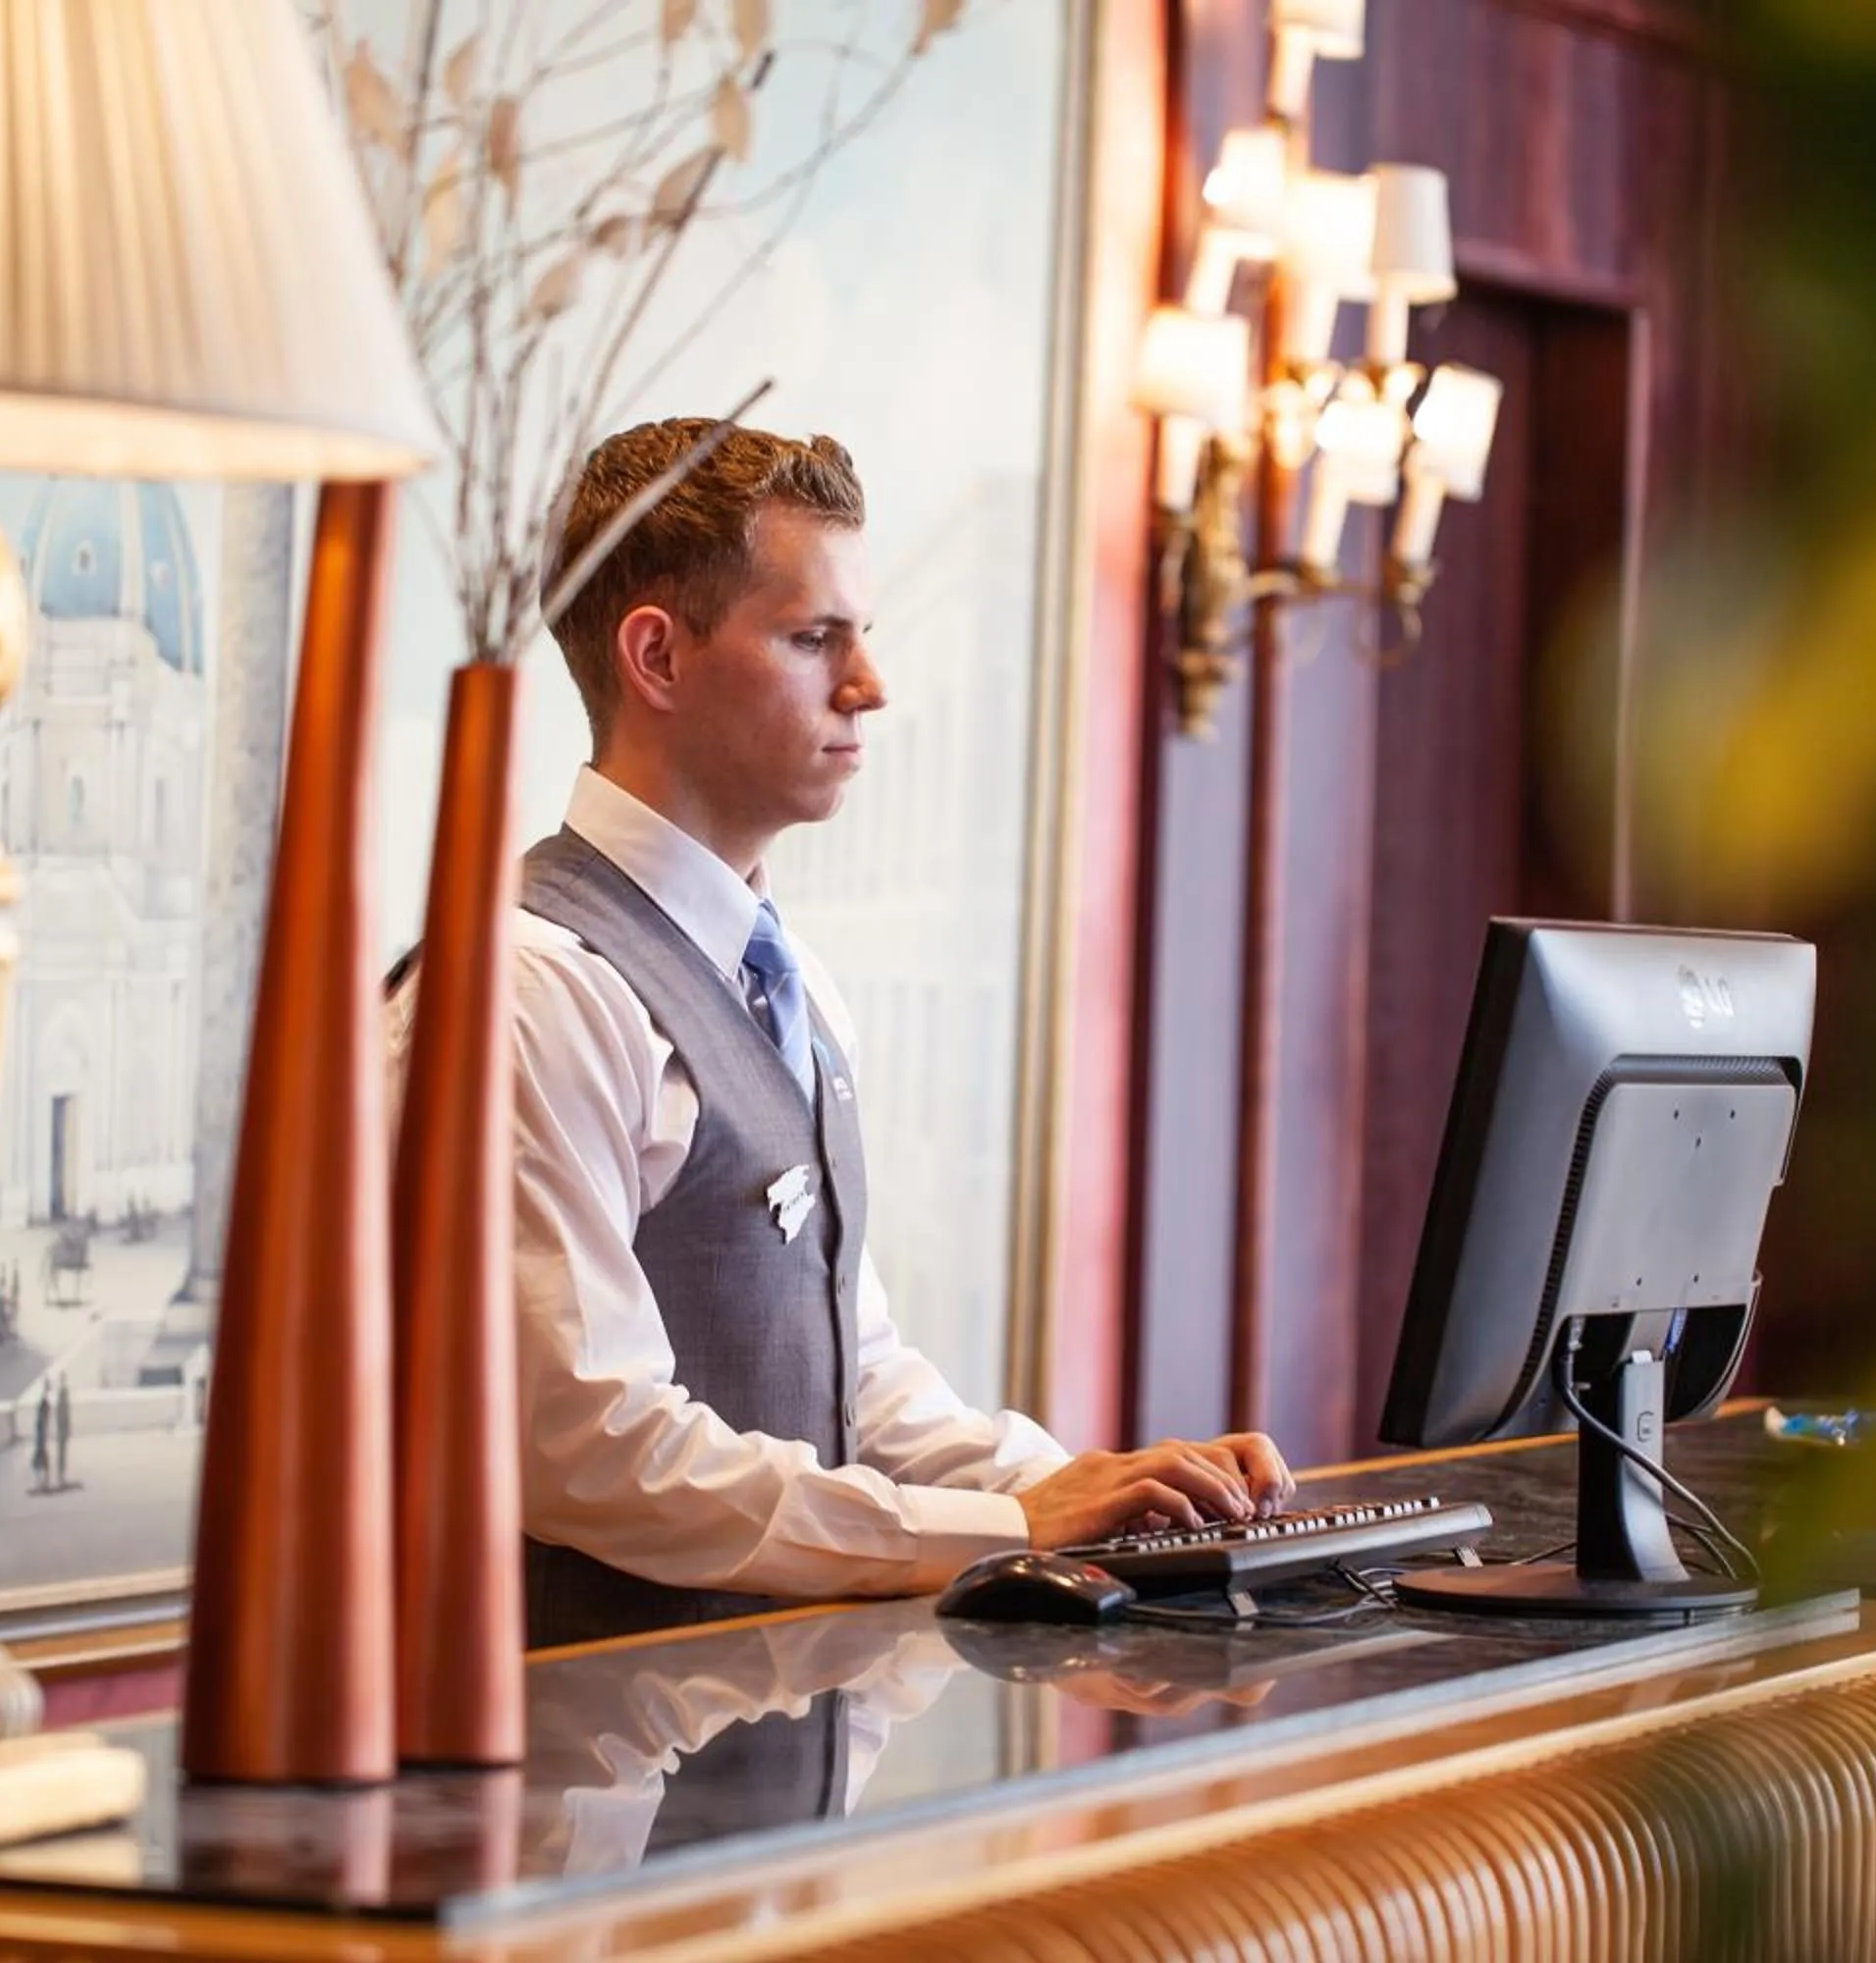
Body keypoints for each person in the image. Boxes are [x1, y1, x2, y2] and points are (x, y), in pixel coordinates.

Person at [384, 419, 1293, 1650]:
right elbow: (588, 1447)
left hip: (774, 1746)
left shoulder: (795, 981)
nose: (869, 683)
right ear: (654, 653)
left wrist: (1098, 1489)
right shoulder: (527, 989)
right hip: (579, 1777)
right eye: (817, 639)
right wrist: (1005, 1525)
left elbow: (851, 1373)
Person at [30, 1378, 54, 1495]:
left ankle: (42, 1482)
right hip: (41, 1437)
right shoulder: (44, 1405)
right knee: (42, 1459)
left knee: (40, 1459)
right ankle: (44, 1482)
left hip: (40, 1438)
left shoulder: (43, 1407)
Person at [53, 1373, 74, 1492]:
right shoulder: (63, 1400)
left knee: (62, 1454)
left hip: (62, 1430)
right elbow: (63, 1416)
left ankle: (61, 1476)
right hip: (62, 1430)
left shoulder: (61, 1401)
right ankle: (61, 1476)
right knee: (62, 1454)